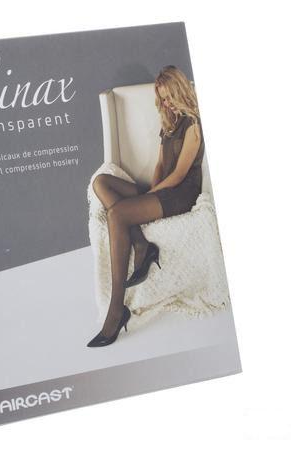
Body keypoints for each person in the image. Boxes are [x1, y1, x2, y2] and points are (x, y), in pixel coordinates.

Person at [87, 65, 205, 347]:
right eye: (162, 99)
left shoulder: (193, 125)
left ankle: (117, 309)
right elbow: (161, 166)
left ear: (179, 91)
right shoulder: (170, 123)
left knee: (117, 214)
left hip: (180, 195)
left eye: (169, 97)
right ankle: (141, 243)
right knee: (101, 182)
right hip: (162, 190)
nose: (166, 103)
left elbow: (179, 175)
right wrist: (149, 192)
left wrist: (150, 195)